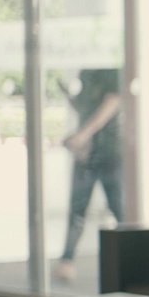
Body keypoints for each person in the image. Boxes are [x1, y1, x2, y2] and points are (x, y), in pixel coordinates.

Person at [53, 68, 123, 282]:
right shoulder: (85, 72)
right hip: (87, 152)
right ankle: (67, 260)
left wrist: (83, 135)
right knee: (78, 208)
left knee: (119, 208)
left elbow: (113, 101)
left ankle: (138, 255)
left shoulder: (109, 69)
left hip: (108, 150)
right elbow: (86, 107)